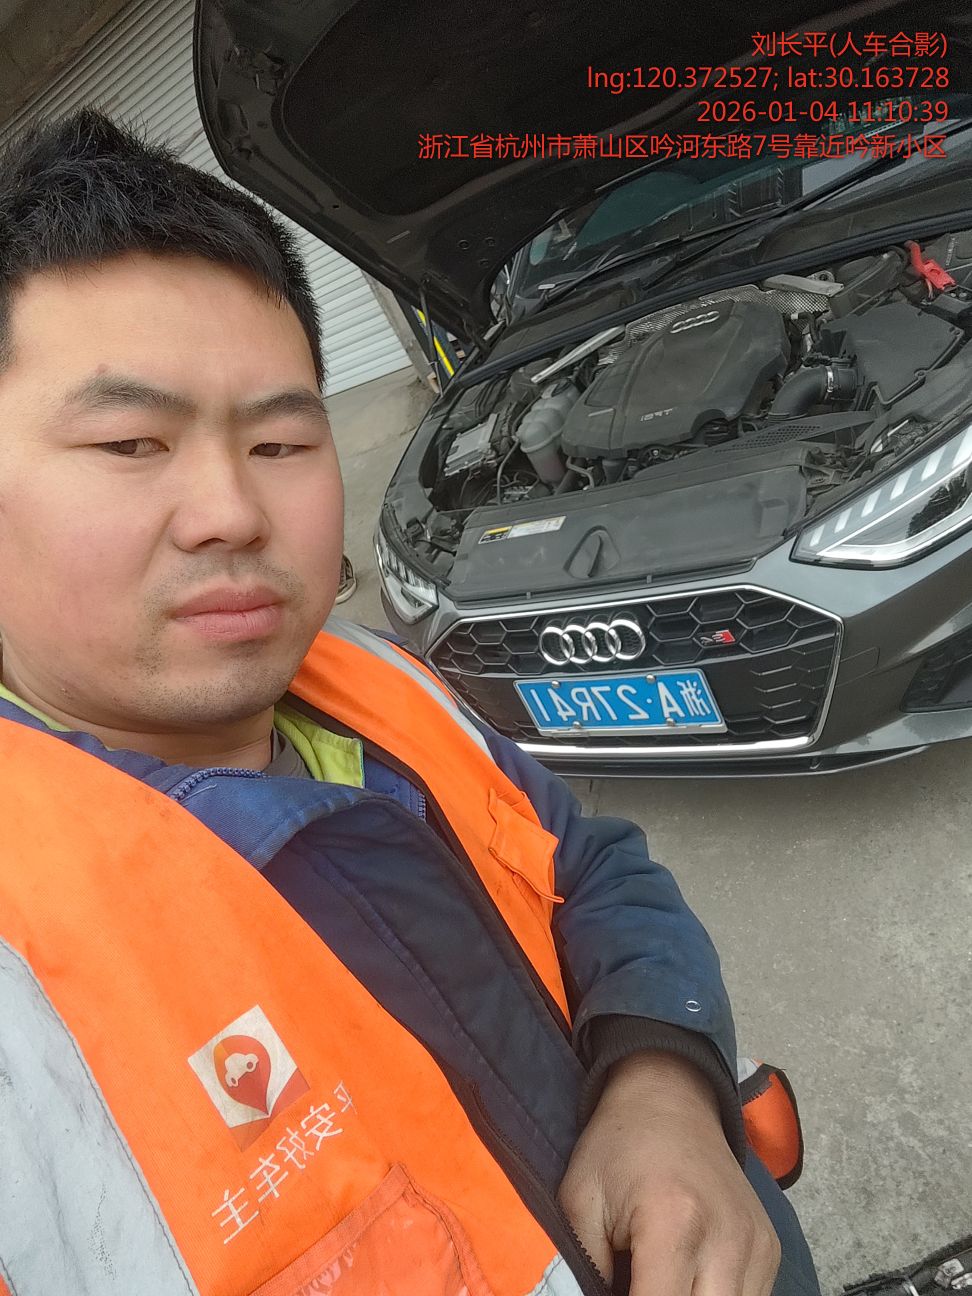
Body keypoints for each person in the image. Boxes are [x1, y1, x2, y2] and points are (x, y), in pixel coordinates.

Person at [0, 110, 819, 1296]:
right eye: (131, 443)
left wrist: (663, 1081)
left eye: (281, 443)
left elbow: (591, 865)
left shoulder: (376, 684)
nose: (231, 512)